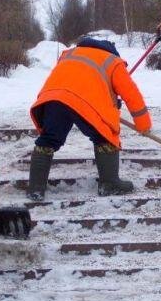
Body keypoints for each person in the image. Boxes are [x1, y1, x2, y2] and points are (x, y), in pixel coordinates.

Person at [28, 37, 152, 201]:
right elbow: (132, 95)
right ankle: (109, 184)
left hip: (53, 98)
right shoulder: (113, 61)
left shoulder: (69, 54)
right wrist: (144, 125)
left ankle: (36, 188)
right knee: (105, 137)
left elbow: (79, 80)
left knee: (49, 139)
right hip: (85, 104)